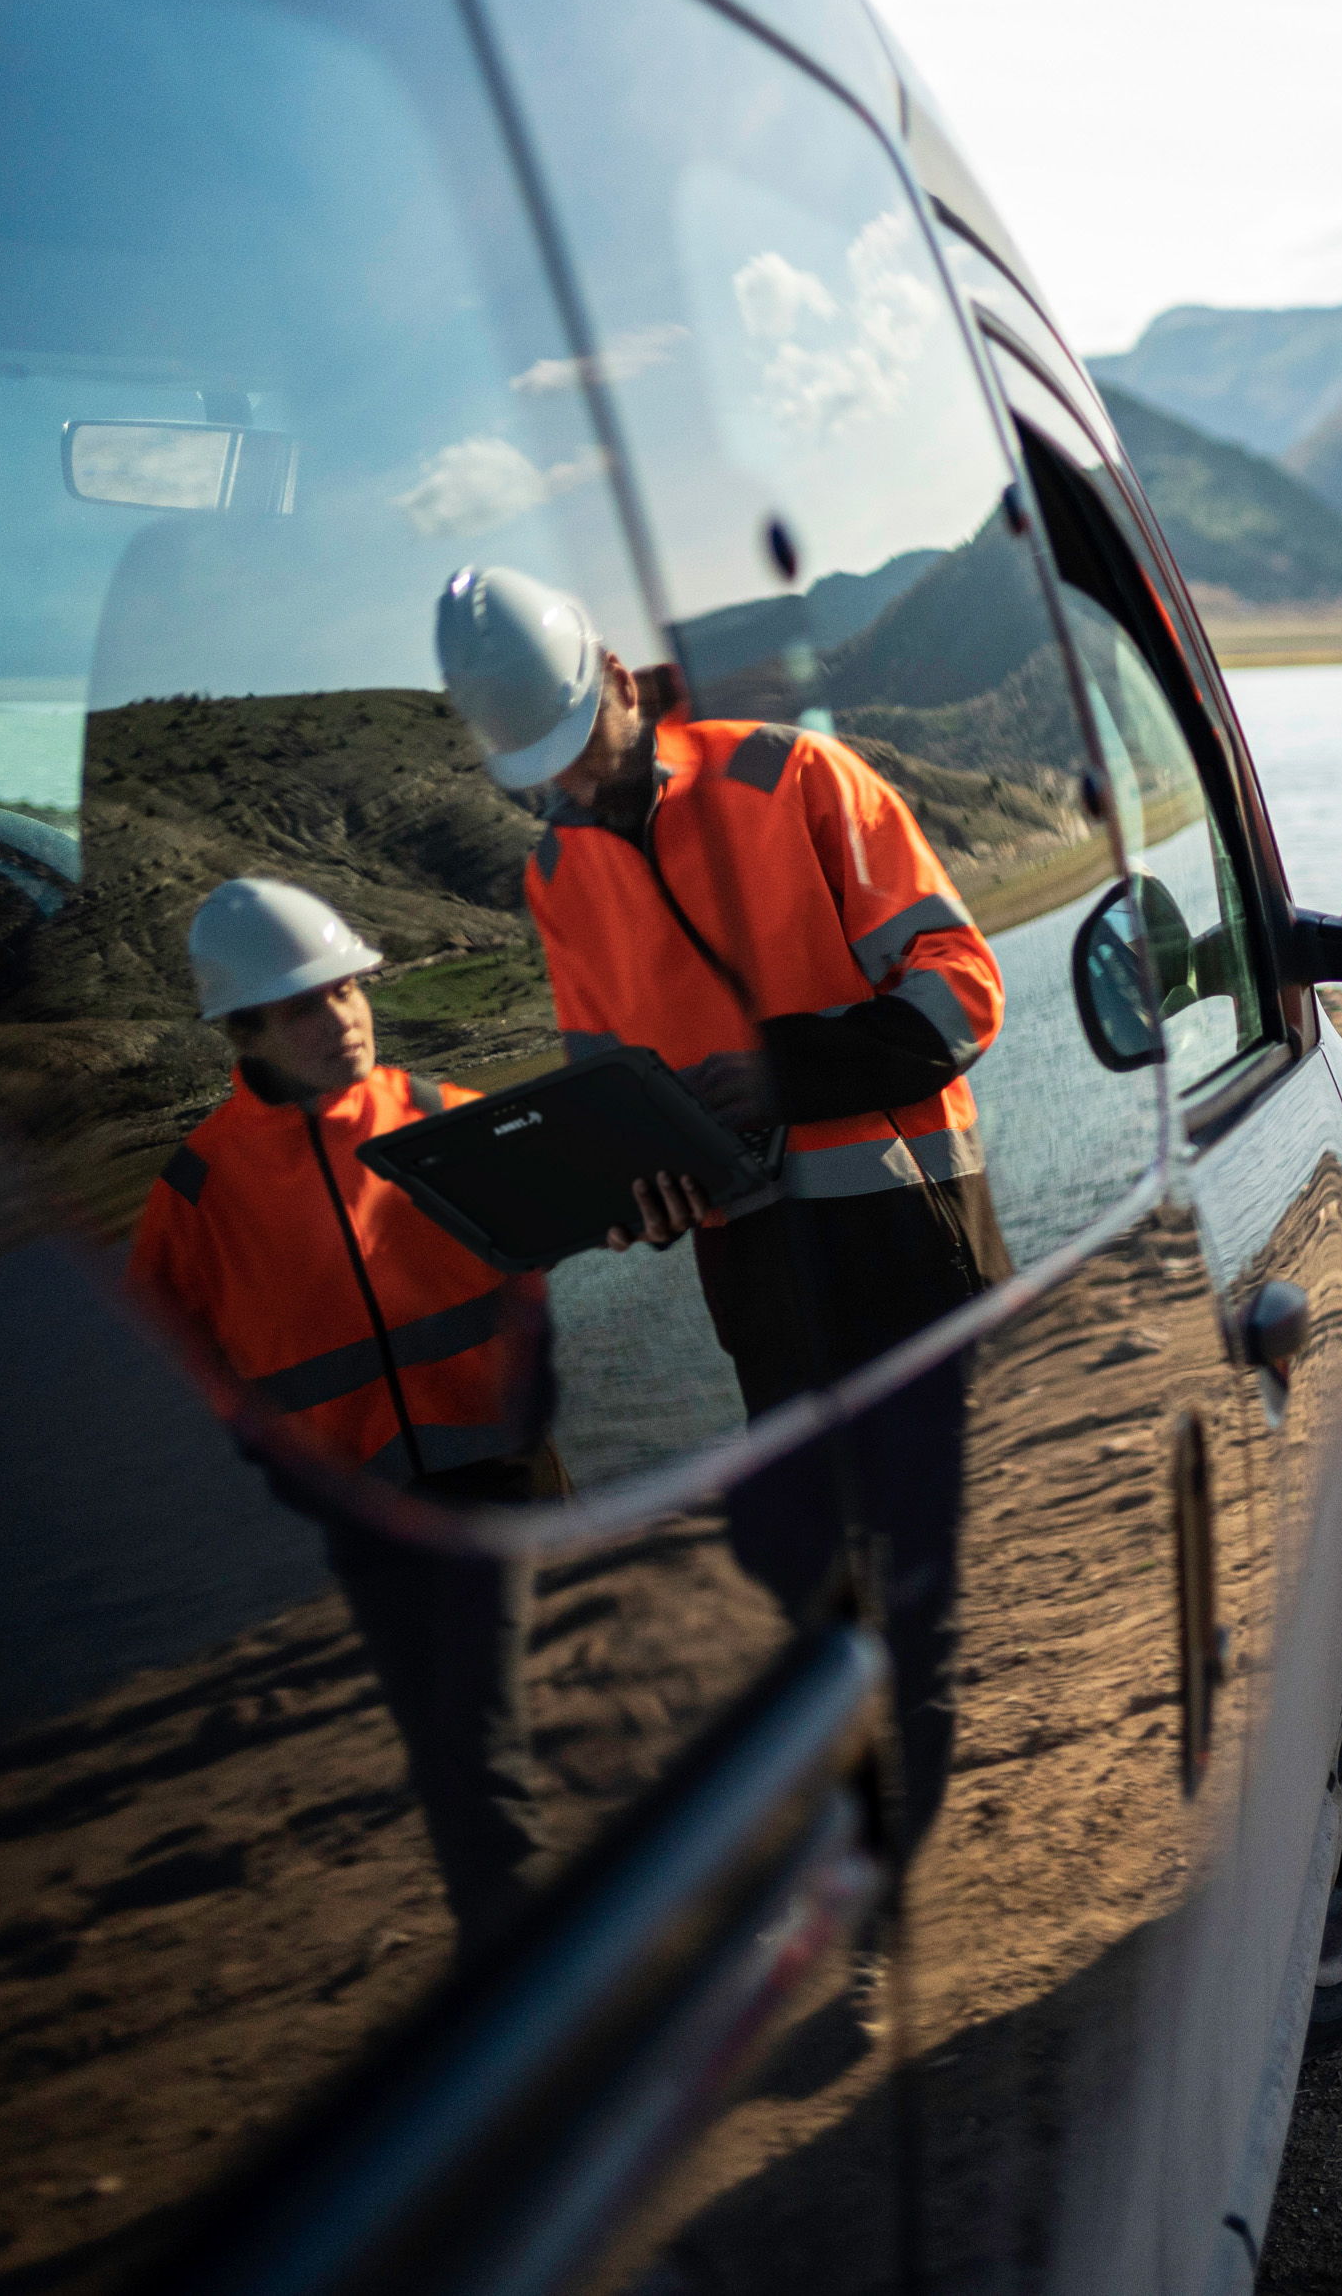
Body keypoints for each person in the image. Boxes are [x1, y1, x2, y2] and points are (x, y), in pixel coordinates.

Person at [437, 564, 1013, 1839]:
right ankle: (860, 1826)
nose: (568, 791)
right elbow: (612, 1095)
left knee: (915, 1572)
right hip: (754, 1272)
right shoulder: (555, 875)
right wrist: (633, 1194)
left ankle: (899, 1859)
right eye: (536, 773)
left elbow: (963, 989)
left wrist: (781, 1075)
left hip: (910, 1235)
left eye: (576, 753)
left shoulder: (794, 779)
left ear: (625, 686)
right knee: (811, 1570)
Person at [128, 876, 555, 1939]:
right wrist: (263, 1446)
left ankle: (550, 1973)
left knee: (491, 1735)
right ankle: (507, 1954)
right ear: (246, 1030)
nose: (344, 1019)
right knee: (445, 1741)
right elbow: (157, 1352)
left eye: (350, 991)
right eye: (309, 1005)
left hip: (503, 1481)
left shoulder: (441, 1119)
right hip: (364, 1512)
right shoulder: (197, 1192)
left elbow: (548, 1249)